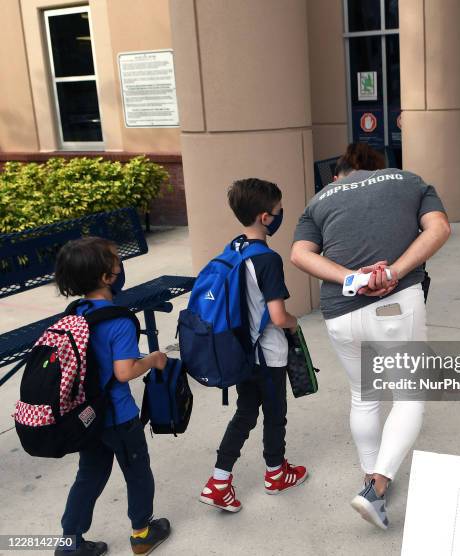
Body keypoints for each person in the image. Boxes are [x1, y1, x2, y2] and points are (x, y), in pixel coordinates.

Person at [291, 143, 451, 530]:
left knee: (363, 395)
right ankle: (376, 487)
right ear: (381, 169)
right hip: (395, 304)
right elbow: (439, 228)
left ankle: (368, 474)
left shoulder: (320, 199)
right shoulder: (411, 181)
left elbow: (299, 254)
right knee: (408, 397)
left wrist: (353, 278)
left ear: (338, 174)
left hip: (340, 313)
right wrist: (392, 272)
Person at [53, 237, 171, 556]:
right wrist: (154, 359)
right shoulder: (118, 320)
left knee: (89, 475)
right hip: (118, 416)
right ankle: (142, 533)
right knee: (137, 471)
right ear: (107, 278)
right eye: (117, 262)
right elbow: (124, 371)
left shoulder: (75, 311)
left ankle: (70, 542)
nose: (121, 268)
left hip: (87, 417)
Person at [199, 178, 307, 512]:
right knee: (275, 414)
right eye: (277, 211)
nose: (280, 215)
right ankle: (276, 474)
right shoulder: (268, 260)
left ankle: (219, 480)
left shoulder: (233, 249)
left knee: (245, 412)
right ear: (265, 217)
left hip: (239, 352)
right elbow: (277, 315)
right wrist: (294, 323)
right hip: (269, 354)